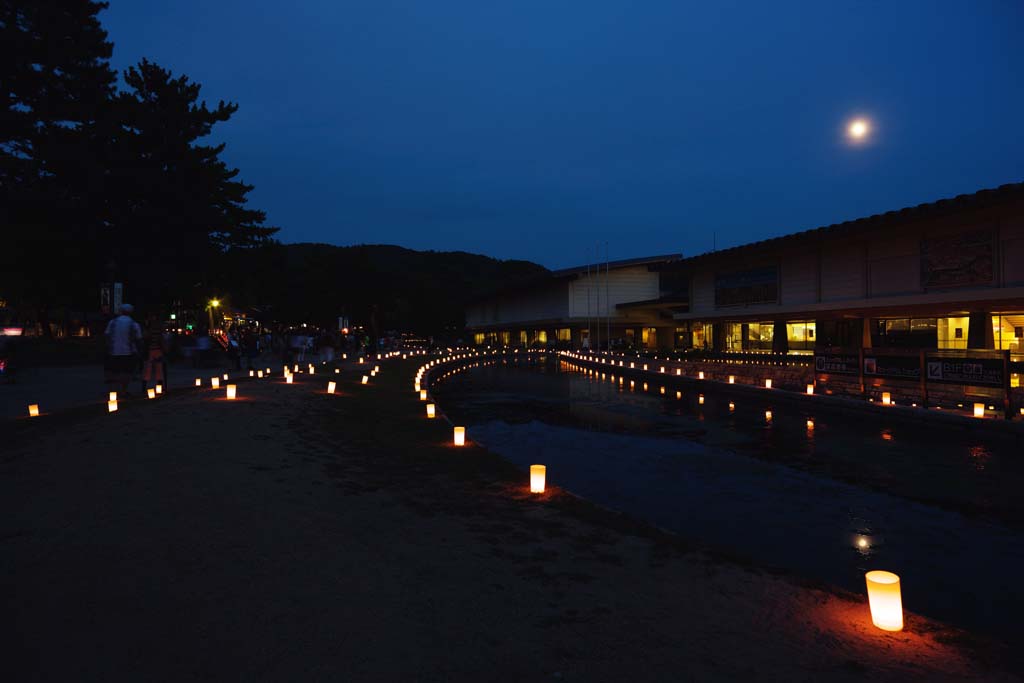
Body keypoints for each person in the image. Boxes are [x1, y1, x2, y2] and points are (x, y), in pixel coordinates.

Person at [105, 304, 142, 396]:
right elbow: (139, 339)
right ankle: (123, 391)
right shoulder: (134, 324)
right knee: (127, 372)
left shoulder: (112, 322)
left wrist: (109, 347)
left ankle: (113, 392)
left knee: (114, 372)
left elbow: (107, 335)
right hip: (128, 351)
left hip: (114, 351)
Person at [141, 315, 167, 393]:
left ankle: (145, 388)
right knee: (155, 369)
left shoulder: (149, 330)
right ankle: (158, 387)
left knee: (150, 369)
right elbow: (161, 341)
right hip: (153, 351)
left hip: (154, 351)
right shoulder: (154, 331)